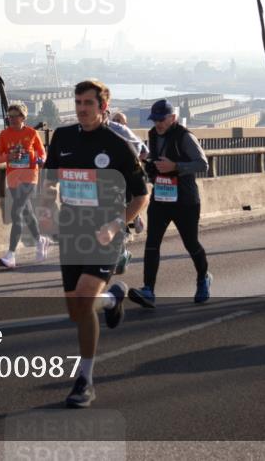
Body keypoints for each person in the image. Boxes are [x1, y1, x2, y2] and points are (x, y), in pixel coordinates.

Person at [39, 80, 149, 408]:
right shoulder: (63, 137)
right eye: (78, 102)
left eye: (88, 103)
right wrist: (46, 208)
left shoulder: (117, 143)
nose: (82, 108)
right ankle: (114, 298)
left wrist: (118, 225)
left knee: (85, 300)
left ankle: (84, 379)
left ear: (103, 107)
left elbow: (143, 194)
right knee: (77, 310)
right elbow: (49, 181)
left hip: (105, 233)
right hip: (72, 232)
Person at [127, 99, 211, 308]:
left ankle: (203, 279)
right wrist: (151, 168)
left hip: (185, 200)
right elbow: (157, 163)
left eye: (161, 119)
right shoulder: (153, 135)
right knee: (152, 243)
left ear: (173, 117)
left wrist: (176, 166)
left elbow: (203, 164)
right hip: (161, 197)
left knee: (191, 243)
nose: (158, 124)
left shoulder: (185, 137)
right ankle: (148, 289)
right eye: (154, 119)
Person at [0, 102, 49, 269]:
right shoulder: (4, 135)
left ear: (23, 117)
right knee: (27, 212)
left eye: (14, 116)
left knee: (15, 212)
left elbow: (42, 154)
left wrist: (39, 159)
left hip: (30, 176)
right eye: (9, 116)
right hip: (13, 177)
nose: (10, 119)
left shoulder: (31, 133)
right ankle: (40, 240)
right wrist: (9, 156)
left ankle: (11, 255)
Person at [105, 110, 149, 274]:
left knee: (116, 216)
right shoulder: (86, 131)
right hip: (100, 184)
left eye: (119, 120)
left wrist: (129, 161)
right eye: (115, 119)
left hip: (122, 182)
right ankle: (121, 252)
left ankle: (120, 250)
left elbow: (143, 150)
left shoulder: (121, 130)